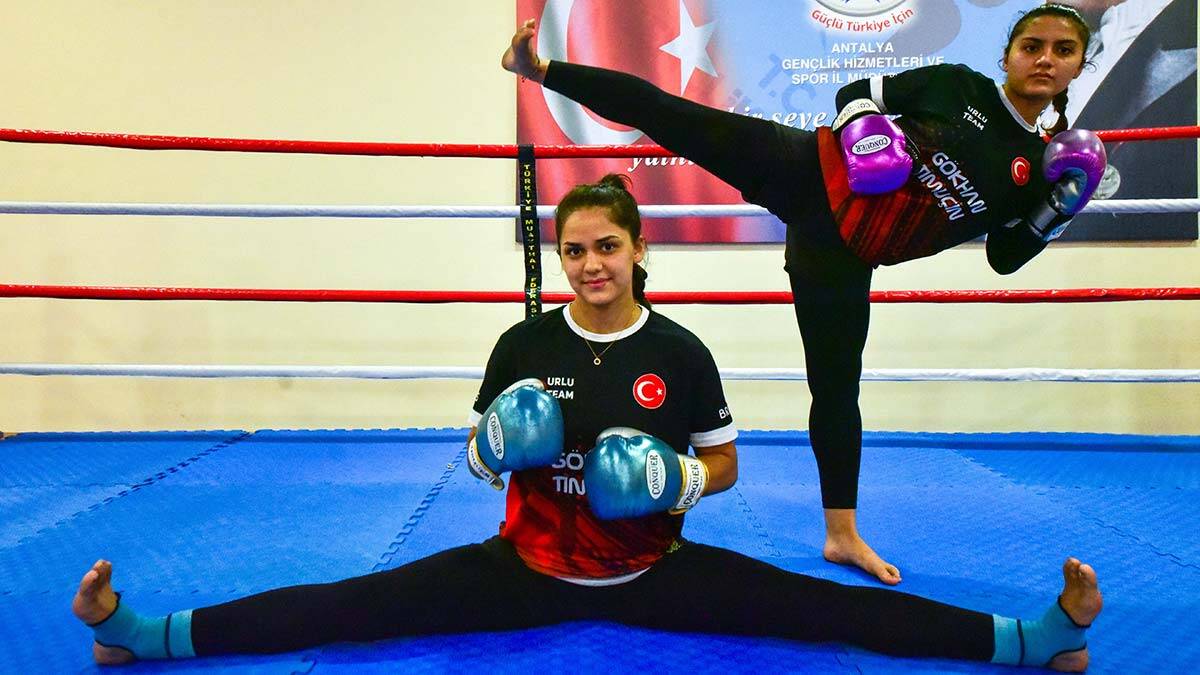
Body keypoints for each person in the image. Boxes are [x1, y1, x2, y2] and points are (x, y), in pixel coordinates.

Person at [73, 175, 1103, 671]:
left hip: (657, 567)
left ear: (638, 248)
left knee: (827, 612)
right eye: (574, 250)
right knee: (348, 604)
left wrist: (680, 481)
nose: (590, 264)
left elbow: (726, 465)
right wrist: (491, 448)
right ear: (560, 256)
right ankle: (142, 633)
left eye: (606, 245)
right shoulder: (523, 342)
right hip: (520, 565)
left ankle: (1032, 639)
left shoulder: (681, 352)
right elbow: (478, 458)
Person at [501, 4, 1109, 585]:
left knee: (837, 388)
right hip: (808, 168)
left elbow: (1005, 256)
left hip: (842, 252)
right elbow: (857, 92)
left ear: (1080, 64)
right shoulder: (958, 86)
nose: (1044, 59)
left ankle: (842, 534)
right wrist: (867, 132)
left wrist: (1058, 209)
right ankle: (541, 69)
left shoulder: (1042, 165)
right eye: (1031, 46)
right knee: (673, 116)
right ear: (1008, 55)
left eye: (1063, 51)